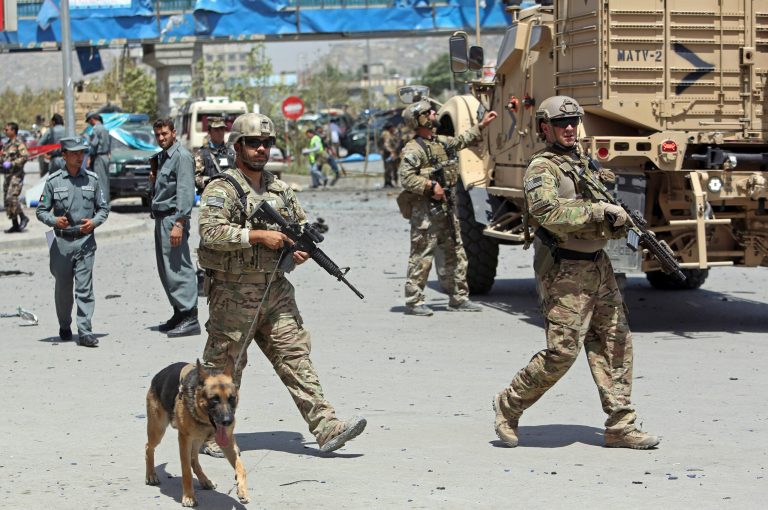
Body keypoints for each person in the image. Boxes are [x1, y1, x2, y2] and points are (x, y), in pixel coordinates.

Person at [492, 96, 660, 450]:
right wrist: (598, 212)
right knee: (563, 353)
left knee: (615, 341)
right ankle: (509, 404)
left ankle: (621, 424)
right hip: (564, 269)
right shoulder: (542, 168)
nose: (569, 128)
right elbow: (548, 213)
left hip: (598, 265)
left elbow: (601, 209)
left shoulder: (582, 162)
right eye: (561, 123)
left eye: (573, 121)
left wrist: (623, 226)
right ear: (545, 127)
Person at [198, 112, 366, 457]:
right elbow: (210, 232)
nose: (261, 149)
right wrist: (257, 235)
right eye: (254, 143)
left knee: (295, 357)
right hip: (233, 294)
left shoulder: (280, 189)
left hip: (275, 290)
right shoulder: (222, 187)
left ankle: (326, 426)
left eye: (267, 143)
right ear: (238, 146)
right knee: (225, 368)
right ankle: (212, 434)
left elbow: (298, 228)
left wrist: (296, 252)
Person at [397, 99, 498, 316]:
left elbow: (461, 141)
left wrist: (482, 125)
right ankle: (414, 301)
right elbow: (406, 178)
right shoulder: (413, 150)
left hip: (447, 210)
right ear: (421, 119)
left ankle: (459, 298)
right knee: (422, 255)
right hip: (425, 213)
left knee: (456, 252)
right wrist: (430, 186)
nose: (435, 113)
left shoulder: (440, 142)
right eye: (429, 112)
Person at [35, 136, 110, 347]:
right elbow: (41, 211)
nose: (79, 157)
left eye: (82, 153)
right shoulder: (53, 181)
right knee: (63, 289)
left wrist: (94, 222)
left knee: (84, 289)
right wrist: (54, 221)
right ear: (64, 155)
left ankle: (85, 331)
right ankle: (64, 324)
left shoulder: (93, 180)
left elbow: (104, 208)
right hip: (61, 242)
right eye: (74, 153)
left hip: (85, 241)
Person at [149, 117, 200, 338]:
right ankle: (179, 312)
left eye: (165, 134)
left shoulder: (182, 156)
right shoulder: (163, 157)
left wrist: (180, 223)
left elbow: (186, 191)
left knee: (179, 267)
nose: (161, 138)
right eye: (158, 135)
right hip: (162, 218)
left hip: (173, 219)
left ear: (174, 133)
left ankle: (190, 316)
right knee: (167, 270)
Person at [1, 122, 30, 233]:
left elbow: (25, 157)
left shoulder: (19, 143)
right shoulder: (6, 144)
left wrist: (12, 163)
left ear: (13, 131)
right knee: (7, 201)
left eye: (7, 129)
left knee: (11, 197)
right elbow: (3, 159)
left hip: (16, 175)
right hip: (8, 176)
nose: (5, 131)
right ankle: (15, 224)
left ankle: (23, 217)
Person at [194, 116, 235, 193]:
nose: (220, 133)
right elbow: (196, 178)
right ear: (209, 132)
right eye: (216, 130)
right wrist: (213, 181)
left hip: (229, 195)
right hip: (210, 195)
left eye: (222, 129)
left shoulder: (231, 152)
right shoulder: (201, 154)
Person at [86, 112, 111, 203]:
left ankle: (102, 203)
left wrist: (87, 138)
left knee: (100, 181)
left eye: (89, 121)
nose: (89, 124)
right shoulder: (105, 128)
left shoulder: (96, 129)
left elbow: (94, 144)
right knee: (105, 181)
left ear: (92, 119)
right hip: (105, 157)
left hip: (99, 157)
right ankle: (106, 202)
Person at [380, 123, 400, 188]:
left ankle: (393, 182)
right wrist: (392, 151)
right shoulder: (386, 134)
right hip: (388, 154)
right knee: (388, 168)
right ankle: (388, 183)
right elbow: (386, 144)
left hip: (393, 153)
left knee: (394, 168)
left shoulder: (392, 133)